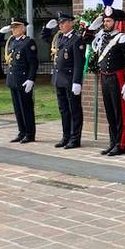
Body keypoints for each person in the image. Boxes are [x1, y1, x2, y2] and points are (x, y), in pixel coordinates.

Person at [83, 0, 125, 156]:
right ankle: (112, 142)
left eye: (108, 21)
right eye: (104, 21)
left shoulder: (122, 37)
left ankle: (121, 144)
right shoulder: (102, 36)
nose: (106, 23)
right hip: (105, 77)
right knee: (110, 111)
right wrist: (94, 25)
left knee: (120, 112)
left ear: (116, 22)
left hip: (118, 77)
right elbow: (86, 39)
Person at [41, 12, 86, 149]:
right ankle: (66, 136)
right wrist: (47, 28)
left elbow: (79, 63)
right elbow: (45, 38)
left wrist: (77, 81)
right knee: (64, 110)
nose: (61, 25)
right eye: (59, 23)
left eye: (64, 22)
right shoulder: (60, 37)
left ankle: (75, 138)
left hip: (70, 80)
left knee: (74, 110)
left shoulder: (76, 39)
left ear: (71, 23)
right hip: (59, 80)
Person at [0, 17, 39, 144]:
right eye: (12, 27)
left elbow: (33, 63)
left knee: (26, 108)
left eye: (16, 27)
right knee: (18, 109)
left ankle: (30, 133)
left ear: (23, 28)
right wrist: (0, 32)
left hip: (23, 80)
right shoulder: (12, 41)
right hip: (13, 80)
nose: (13, 30)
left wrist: (31, 79)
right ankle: (22, 131)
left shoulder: (28, 42)